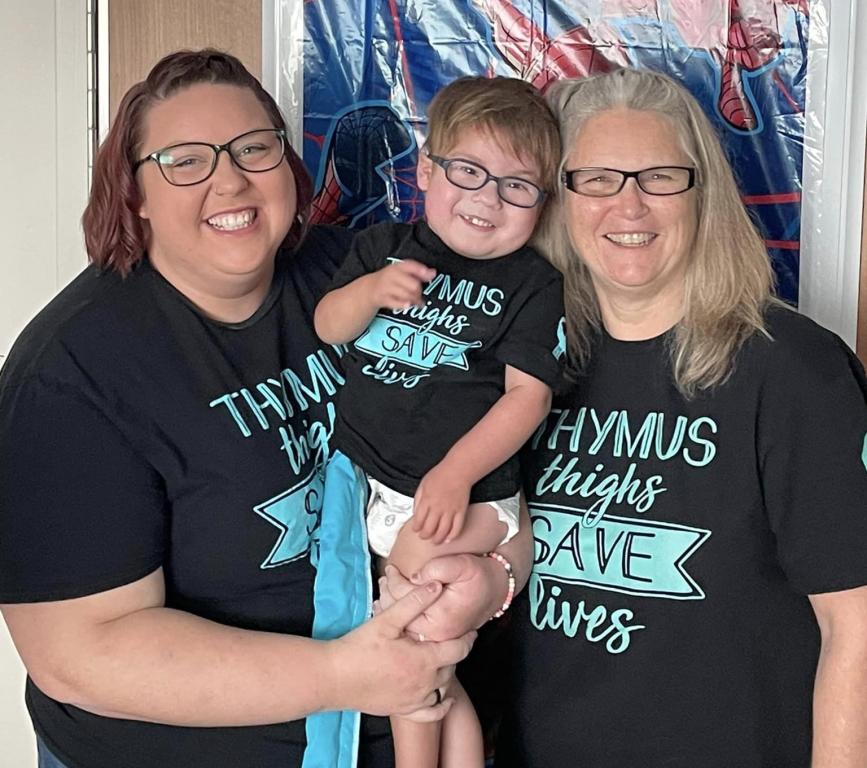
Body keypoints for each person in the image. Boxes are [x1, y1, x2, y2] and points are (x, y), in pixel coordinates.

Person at [0, 49, 529, 768]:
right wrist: (344, 674)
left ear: (289, 167)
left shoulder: (365, 276)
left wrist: (492, 579)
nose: (229, 180)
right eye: (185, 160)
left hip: (414, 729)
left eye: (254, 148)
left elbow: (505, 442)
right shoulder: (71, 375)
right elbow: (78, 655)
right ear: (134, 195)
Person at [488, 67, 867, 767]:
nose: (627, 207)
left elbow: (857, 629)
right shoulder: (525, 369)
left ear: (702, 195)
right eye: (597, 179)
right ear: (559, 201)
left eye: (658, 177)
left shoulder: (794, 372)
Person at [313, 76, 564, 768]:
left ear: (541, 205)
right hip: (376, 487)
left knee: (412, 634)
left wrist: (455, 474)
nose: (487, 198)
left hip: (469, 495)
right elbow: (327, 326)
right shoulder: (383, 248)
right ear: (426, 169)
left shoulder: (532, 285)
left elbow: (527, 398)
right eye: (468, 171)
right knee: (432, 662)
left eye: (517, 187)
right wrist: (367, 292)